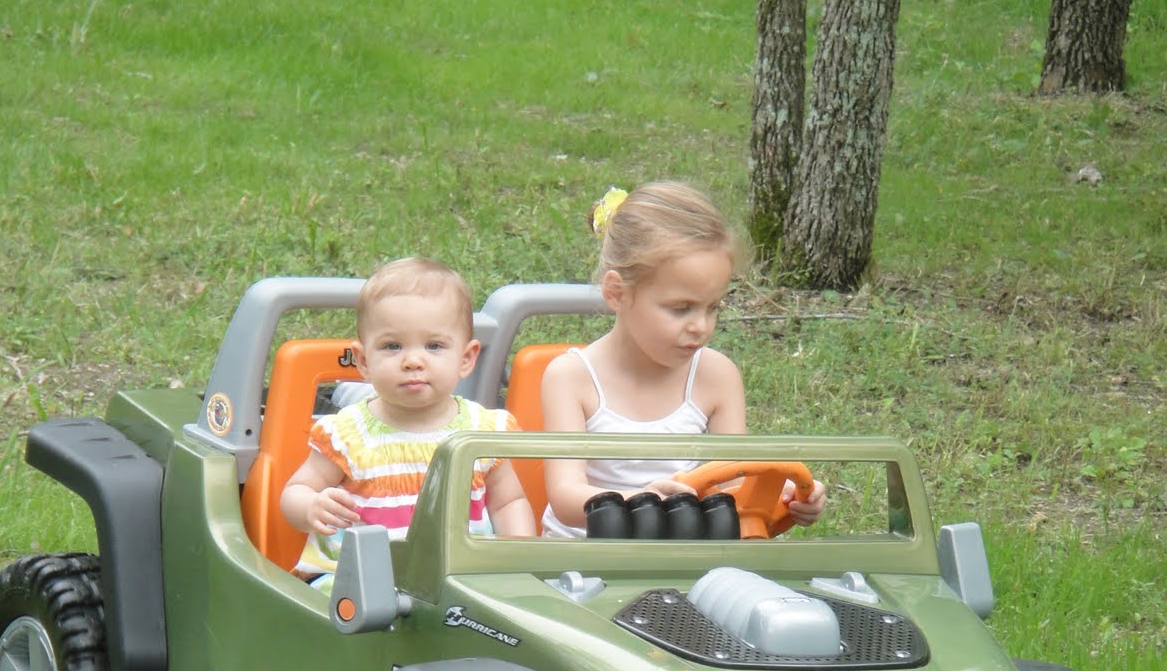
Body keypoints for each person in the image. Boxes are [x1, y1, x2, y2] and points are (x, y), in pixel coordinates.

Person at [540, 181, 827, 537]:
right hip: (583, 555)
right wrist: (643, 502)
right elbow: (565, 497)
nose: (701, 326)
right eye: (681, 308)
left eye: (713, 307)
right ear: (617, 293)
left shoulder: (716, 375)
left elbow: (732, 486)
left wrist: (783, 496)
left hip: (683, 551)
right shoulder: (571, 377)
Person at [282, 257, 535, 578]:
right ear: (363, 361)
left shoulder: (482, 431)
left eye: (434, 345)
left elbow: (507, 503)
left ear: (466, 358)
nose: (413, 360)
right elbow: (297, 490)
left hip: (459, 580)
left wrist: (519, 559)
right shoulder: (348, 434)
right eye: (392, 346)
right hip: (359, 581)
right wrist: (311, 506)